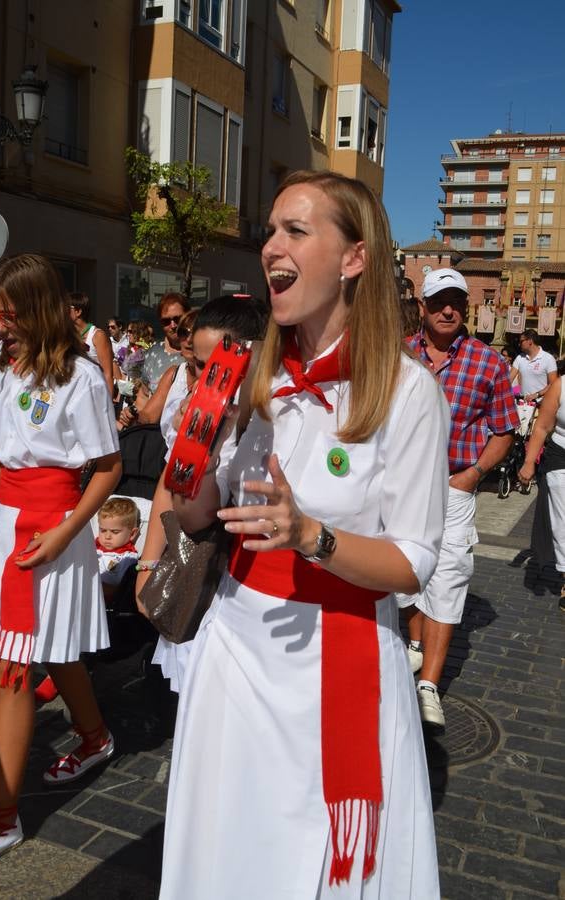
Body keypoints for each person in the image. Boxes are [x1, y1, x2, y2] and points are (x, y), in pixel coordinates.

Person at [155, 170, 449, 899]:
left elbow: (413, 563)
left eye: (296, 230)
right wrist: (196, 445)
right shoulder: (251, 375)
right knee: (229, 851)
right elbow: (197, 518)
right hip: (236, 650)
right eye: (270, 230)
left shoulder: (408, 391)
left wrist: (312, 535)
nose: (271, 247)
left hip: (337, 652)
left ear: (353, 258)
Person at [0, 254, 121, 875]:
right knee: (53, 652)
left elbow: (107, 468)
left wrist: (63, 534)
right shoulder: (6, 366)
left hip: (53, 534)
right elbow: (0, 459)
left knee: (13, 669)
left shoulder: (82, 378)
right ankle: (95, 737)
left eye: (0, 313)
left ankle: (1, 819)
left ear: (32, 308)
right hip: (11, 530)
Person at [402, 268, 520, 728]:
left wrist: (474, 474)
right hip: (405, 487)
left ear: (465, 308)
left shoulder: (487, 362)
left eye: (456, 301)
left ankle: (430, 682)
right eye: (438, 301)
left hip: (455, 486)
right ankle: (414, 645)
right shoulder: (401, 355)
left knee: (449, 576)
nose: (447, 310)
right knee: (406, 573)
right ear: (423, 307)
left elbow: (505, 429)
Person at [136, 297, 267, 689]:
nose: (209, 380)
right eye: (199, 366)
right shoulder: (195, 416)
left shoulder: (274, 419)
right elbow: (179, 501)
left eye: (224, 369)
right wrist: (147, 564)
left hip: (260, 593)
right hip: (204, 580)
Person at [519, 374, 565, 611]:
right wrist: (529, 462)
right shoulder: (561, 385)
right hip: (561, 459)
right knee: (563, 522)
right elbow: (543, 426)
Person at [142, 292, 189, 393]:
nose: (173, 325)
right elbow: (144, 395)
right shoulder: (152, 353)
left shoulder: (197, 354)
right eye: (166, 321)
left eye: (177, 319)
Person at [96, 497, 140, 598]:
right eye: (103, 530)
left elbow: (120, 589)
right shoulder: (92, 547)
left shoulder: (127, 558)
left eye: (115, 532)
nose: (107, 536)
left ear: (132, 533)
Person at [510, 329, 557, 403]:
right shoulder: (519, 357)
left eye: (521, 341)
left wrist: (537, 394)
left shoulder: (548, 358)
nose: (519, 344)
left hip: (541, 403)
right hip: (523, 403)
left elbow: (553, 384)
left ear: (530, 341)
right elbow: (509, 379)